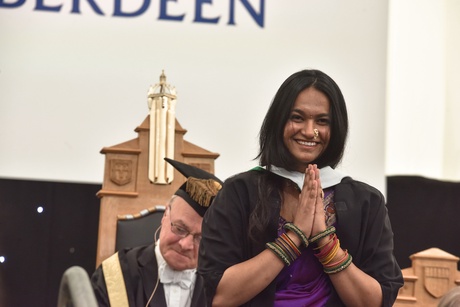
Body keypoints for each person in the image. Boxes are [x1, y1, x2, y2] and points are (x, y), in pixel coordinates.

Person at [198, 69, 404, 307]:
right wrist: (294, 236)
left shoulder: (367, 202)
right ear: (278, 121)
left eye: (322, 121)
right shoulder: (239, 193)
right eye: (297, 117)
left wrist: (325, 242)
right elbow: (219, 296)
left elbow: (377, 302)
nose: (309, 131)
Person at [91, 157, 223, 307]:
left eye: (200, 238)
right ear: (165, 214)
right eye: (180, 229)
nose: (186, 244)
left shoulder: (222, 287)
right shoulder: (115, 275)